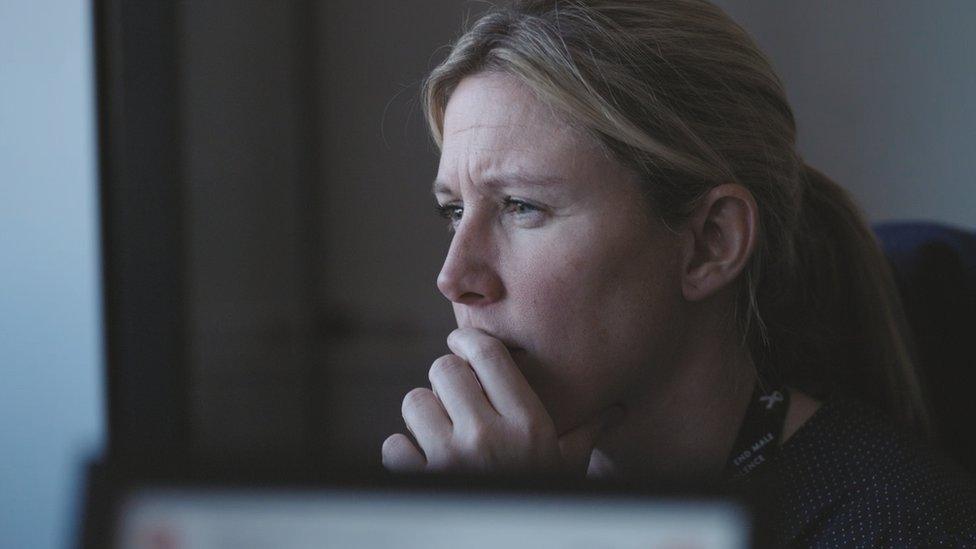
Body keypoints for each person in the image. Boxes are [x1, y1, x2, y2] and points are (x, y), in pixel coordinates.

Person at [380, 0, 976, 544]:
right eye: (454, 211)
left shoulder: (902, 527)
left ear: (709, 244)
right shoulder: (490, 477)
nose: (454, 276)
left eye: (521, 207)